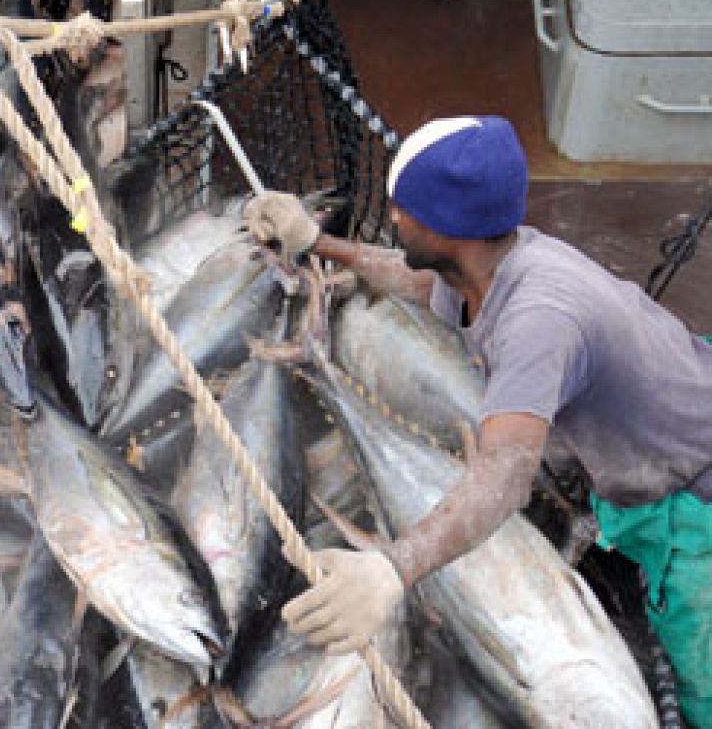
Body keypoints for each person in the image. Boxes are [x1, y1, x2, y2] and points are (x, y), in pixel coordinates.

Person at [244, 115, 712, 726]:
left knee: (699, 682)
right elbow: (415, 277)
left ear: (445, 230)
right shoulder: (493, 258)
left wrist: (393, 569)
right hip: (661, 425)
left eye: (401, 211)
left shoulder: (539, 319)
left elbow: (507, 477)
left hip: (692, 499)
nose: (391, 218)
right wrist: (317, 243)